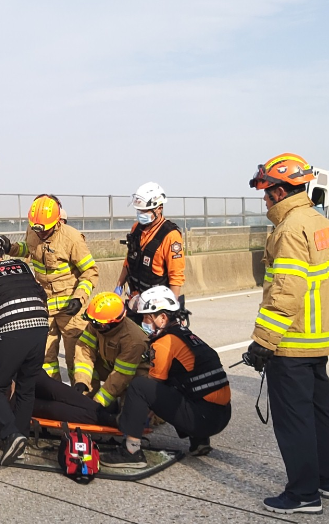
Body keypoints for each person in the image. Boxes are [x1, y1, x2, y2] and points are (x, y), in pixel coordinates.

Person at [241, 153, 329, 515]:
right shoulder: (321, 223)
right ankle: (325, 480)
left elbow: (286, 290)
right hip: (318, 337)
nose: (264, 198)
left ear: (279, 191)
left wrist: (263, 341)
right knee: (320, 412)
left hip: (293, 339)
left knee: (295, 419)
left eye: (266, 191)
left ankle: (303, 494)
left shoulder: (289, 229)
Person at [101, 287, 231, 467]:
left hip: (203, 420)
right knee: (180, 382)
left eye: (147, 317)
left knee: (139, 386)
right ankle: (199, 441)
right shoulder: (188, 336)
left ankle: (131, 451)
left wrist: (130, 419)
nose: (143, 322)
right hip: (222, 415)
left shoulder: (163, 343)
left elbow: (151, 388)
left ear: (162, 318)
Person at [0, 230, 49, 466]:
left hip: (11, 332)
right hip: (40, 329)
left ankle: (11, 434)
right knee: (26, 388)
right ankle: (20, 442)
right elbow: (41, 296)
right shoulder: (24, 267)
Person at [9, 195, 99, 381]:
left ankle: (82, 396)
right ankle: (53, 394)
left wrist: (79, 298)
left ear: (57, 222)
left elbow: (90, 271)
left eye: (44, 230)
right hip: (44, 307)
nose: (40, 233)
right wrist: (9, 247)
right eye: (37, 229)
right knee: (45, 359)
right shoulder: (34, 230)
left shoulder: (71, 238)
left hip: (70, 310)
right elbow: (29, 249)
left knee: (77, 359)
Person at [72, 292, 151, 410]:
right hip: (112, 366)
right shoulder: (97, 323)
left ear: (110, 324)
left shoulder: (133, 341)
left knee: (128, 413)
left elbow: (121, 376)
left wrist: (99, 402)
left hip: (134, 377)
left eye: (96, 324)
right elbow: (85, 351)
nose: (92, 326)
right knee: (88, 368)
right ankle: (88, 399)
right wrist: (81, 381)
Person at [115, 182, 186, 308]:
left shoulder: (171, 235)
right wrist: (118, 286)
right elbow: (128, 262)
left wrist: (172, 308)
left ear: (159, 208)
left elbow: (176, 276)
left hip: (157, 304)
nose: (141, 214)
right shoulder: (136, 228)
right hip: (135, 299)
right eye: (139, 210)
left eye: (145, 211)